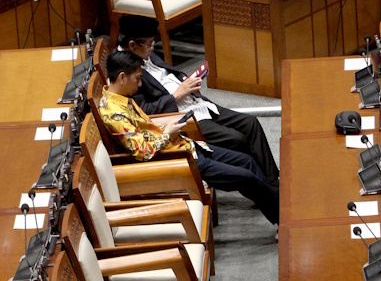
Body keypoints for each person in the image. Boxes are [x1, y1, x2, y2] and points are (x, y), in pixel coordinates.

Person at [98, 49, 280, 226]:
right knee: (245, 176)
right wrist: (167, 132)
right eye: (137, 79)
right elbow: (143, 152)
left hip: (186, 146)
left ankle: (277, 205)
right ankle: (281, 218)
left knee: (246, 161)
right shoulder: (114, 114)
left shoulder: (121, 97)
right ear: (122, 77)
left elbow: (146, 129)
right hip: (177, 161)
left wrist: (167, 130)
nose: (139, 85)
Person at [115, 15, 279, 187]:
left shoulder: (141, 51)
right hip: (179, 114)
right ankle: (259, 185)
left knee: (250, 123)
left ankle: (272, 181)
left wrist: (187, 80)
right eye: (149, 44)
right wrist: (176, 95)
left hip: (194, 100)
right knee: (236, 138)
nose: (152, 48)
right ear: (133, 45)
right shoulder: (124, 71)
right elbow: (143, 111)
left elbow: (166, 74)